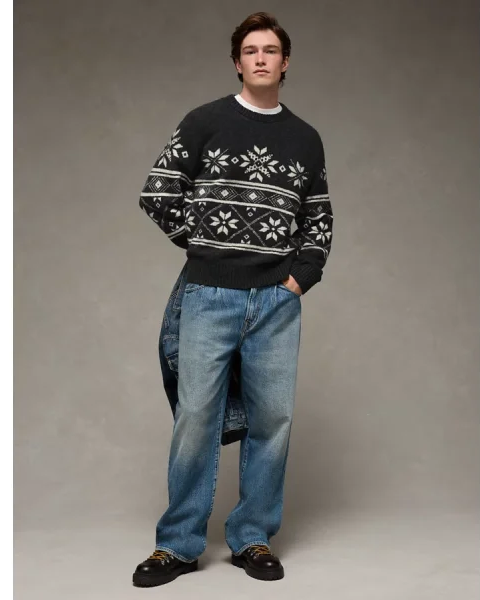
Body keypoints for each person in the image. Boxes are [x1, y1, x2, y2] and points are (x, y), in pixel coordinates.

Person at [132, 11, 333, 587]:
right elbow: (158, 193)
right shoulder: (205, 121)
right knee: (196, 417)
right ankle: (177, 545)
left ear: (285, 62)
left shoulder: (305, 138)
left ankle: (253, 537)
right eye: (250, 51)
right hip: (209, 294)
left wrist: (299, 279)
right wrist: (205, 250)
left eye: (270, 50)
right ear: (237, 63)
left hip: (276, 302)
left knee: (273, 420)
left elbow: (318, 220)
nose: (261, 58)